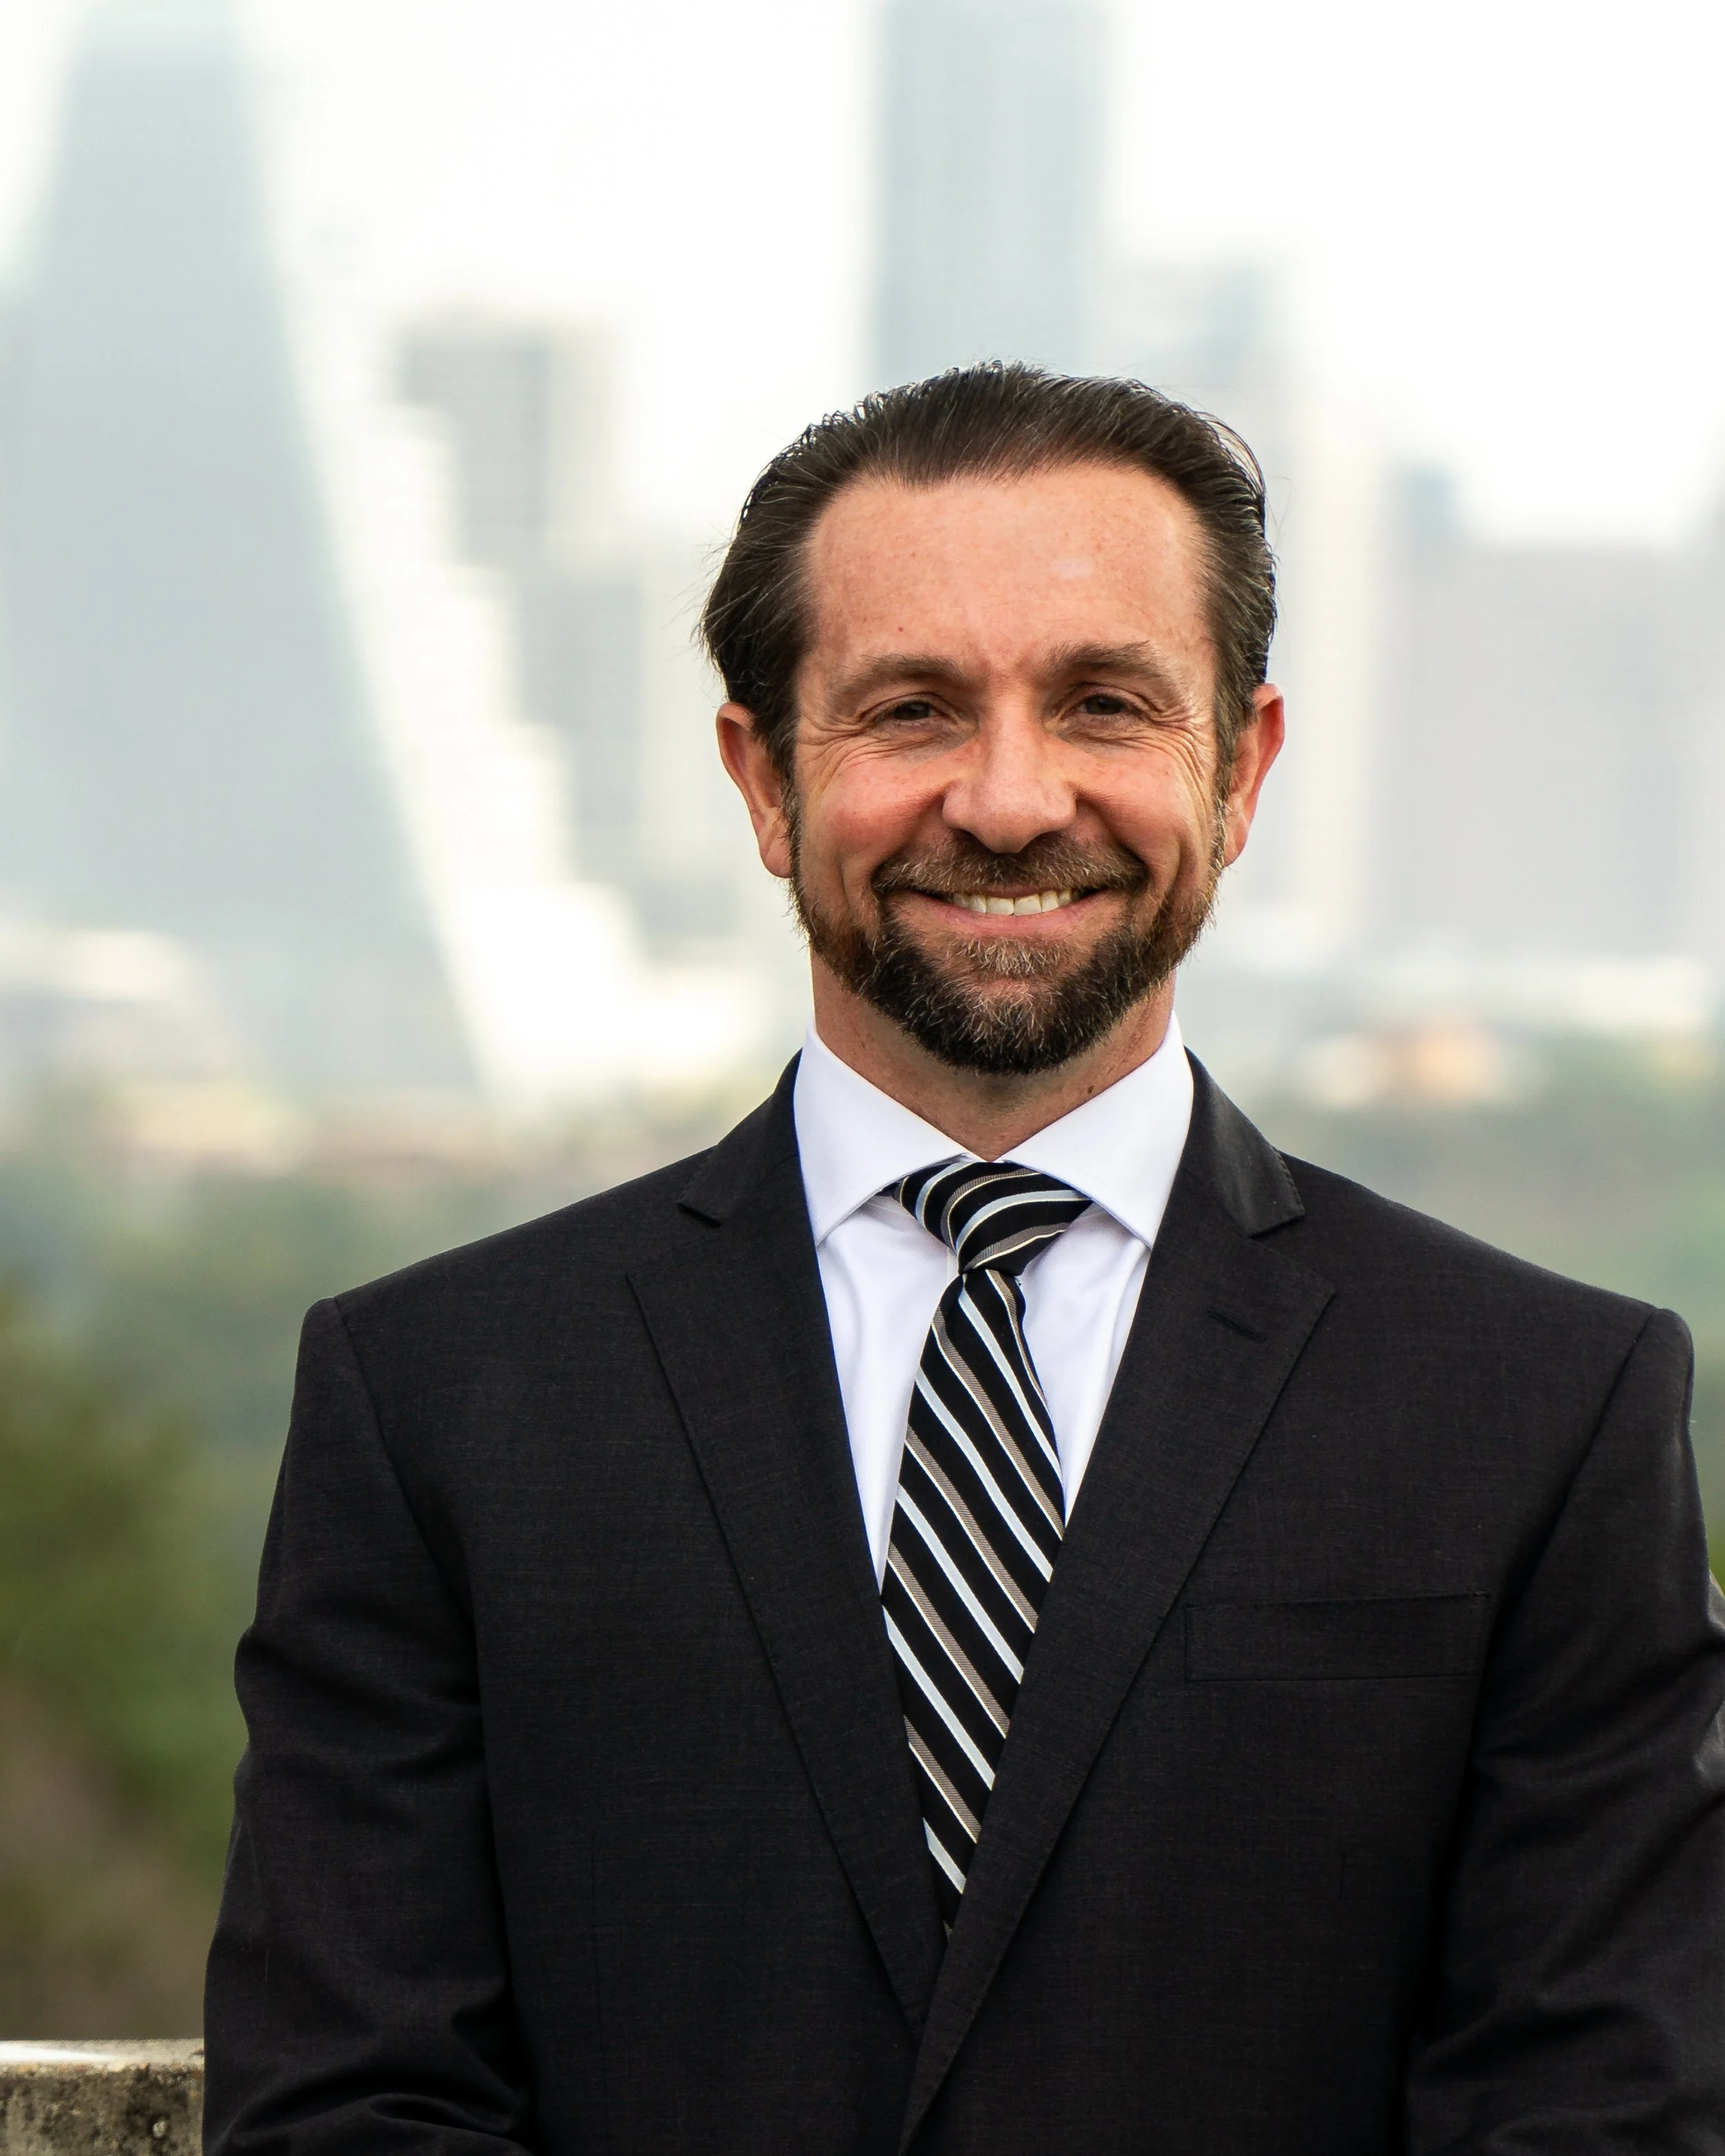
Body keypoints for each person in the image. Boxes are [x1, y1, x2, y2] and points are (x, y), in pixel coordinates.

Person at [204, 366, 1725, 2155]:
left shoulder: (1542, 1412)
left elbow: (1594, 2111)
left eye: (1103, 704)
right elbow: (349, 2104)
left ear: (1239, 770)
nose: (1008, 802)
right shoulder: (434, 1400)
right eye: (912, 709)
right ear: (763, 779)